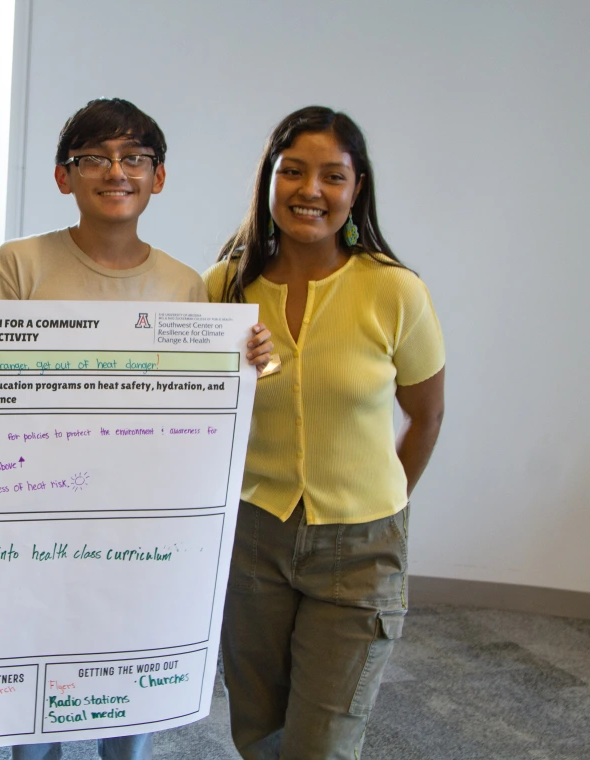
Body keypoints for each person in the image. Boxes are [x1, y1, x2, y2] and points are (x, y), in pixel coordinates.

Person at [0, 97, 272, 760]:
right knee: (40, 668)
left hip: (140, 516)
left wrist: (248, 360)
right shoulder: (19, 265)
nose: (117, 171)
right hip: (38, 511)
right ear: (64, 176)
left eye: (135, 158)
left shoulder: (184, 285)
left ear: (158, 176)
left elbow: (201, 404)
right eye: (95, 159)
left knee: (129, 665)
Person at [205, 106, 445, 760]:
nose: (311, 190)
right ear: (269, 180)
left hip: (362, 546)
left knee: (321, 743)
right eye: (294, 172)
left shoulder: (394, 290)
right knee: (258, 728)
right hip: (255, 535)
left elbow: (426, 415)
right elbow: (198, 410)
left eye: (332, 176)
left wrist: (380, 509)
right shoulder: (223, 287)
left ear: (356, 189)